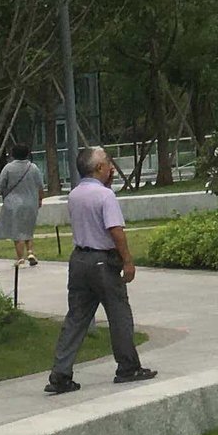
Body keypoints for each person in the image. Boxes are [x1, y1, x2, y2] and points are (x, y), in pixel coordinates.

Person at [45, 146, 155, 393]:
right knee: (119, 314)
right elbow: (115, 230)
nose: (111, 167)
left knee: (76, 317)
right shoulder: (105, 196)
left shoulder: (74, 195)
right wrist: (128, 261)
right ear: (98, 168)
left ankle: (60, 373)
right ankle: (128, 367)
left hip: (79, 260)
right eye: (108, 163)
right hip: (102, 262)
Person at [0, 141, 44, 267]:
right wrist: (40, 200)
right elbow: (40, 187)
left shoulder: (8, 168)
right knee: (28, 228)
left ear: (13, 154)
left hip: (13, 204)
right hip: (31, 203)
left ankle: (20, 258)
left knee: (17, 231)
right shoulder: (34, 167)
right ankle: (30, 252)